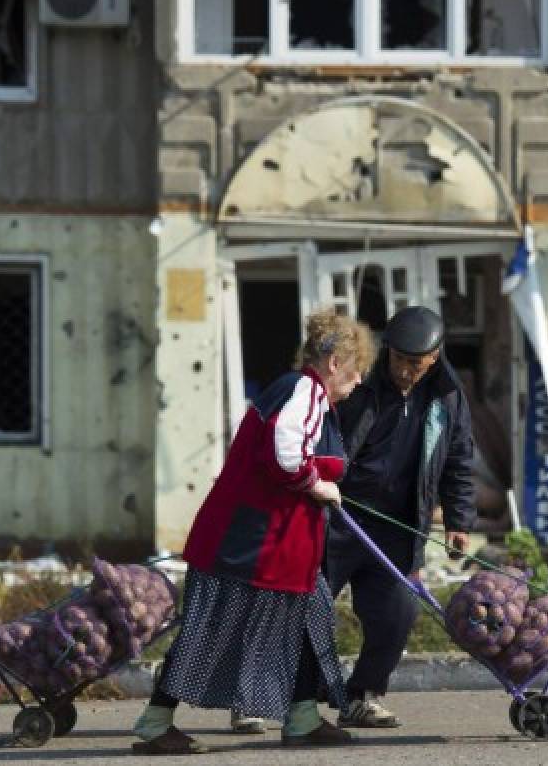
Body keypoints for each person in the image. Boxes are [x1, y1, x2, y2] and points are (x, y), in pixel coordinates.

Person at [131, 309, 376, 754]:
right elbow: (286, 456)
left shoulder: (309, 397)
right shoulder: (303, 390)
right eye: (357, 370)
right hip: (248, 547)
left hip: (281, 552)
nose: (359, 381)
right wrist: (317, 485)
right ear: (335, 363)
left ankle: (302, 717)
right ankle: (154, 723)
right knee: (209, 632)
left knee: (307, 623)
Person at [326, 306, 475, 728]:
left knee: (399, 612)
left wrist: (459, 522)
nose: (406, 372)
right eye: (398, 361)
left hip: (400, 525)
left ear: (434, 357)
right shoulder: (359, 383)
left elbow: (459, 461)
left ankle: (362, 696)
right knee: (303, 607)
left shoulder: (447, 395)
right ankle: (263, 698)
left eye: (416, 365)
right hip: (339, 516)